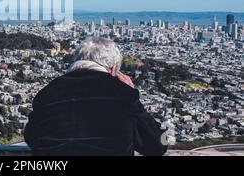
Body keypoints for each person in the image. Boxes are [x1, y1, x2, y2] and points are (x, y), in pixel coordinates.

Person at [24, 37, 167, 156]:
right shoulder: (122, 93)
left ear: (76, 61)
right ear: (113, 70)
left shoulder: (46, 94)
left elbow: (31, 139)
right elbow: (157, 146)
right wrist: (131, 94)